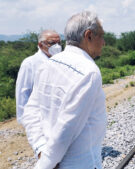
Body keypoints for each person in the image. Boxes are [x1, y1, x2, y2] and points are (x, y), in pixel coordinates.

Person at [22, 11, 107, 169]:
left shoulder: (49, 64)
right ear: (88, 35)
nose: (104, 42)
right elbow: (67, 128)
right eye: (101, 36)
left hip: (50, 158)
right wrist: (46, 165)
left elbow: (31, 111)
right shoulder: (89, 72)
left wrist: (41, 149)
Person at [16, 30, 61, 126]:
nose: (57, 46)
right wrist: (24, 120)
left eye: (59, 43)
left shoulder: (62, 61)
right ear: (41, 45)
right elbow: (23, 92)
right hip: (38, 117)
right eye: (52, 43)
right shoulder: (30, 63)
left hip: (58, 117)